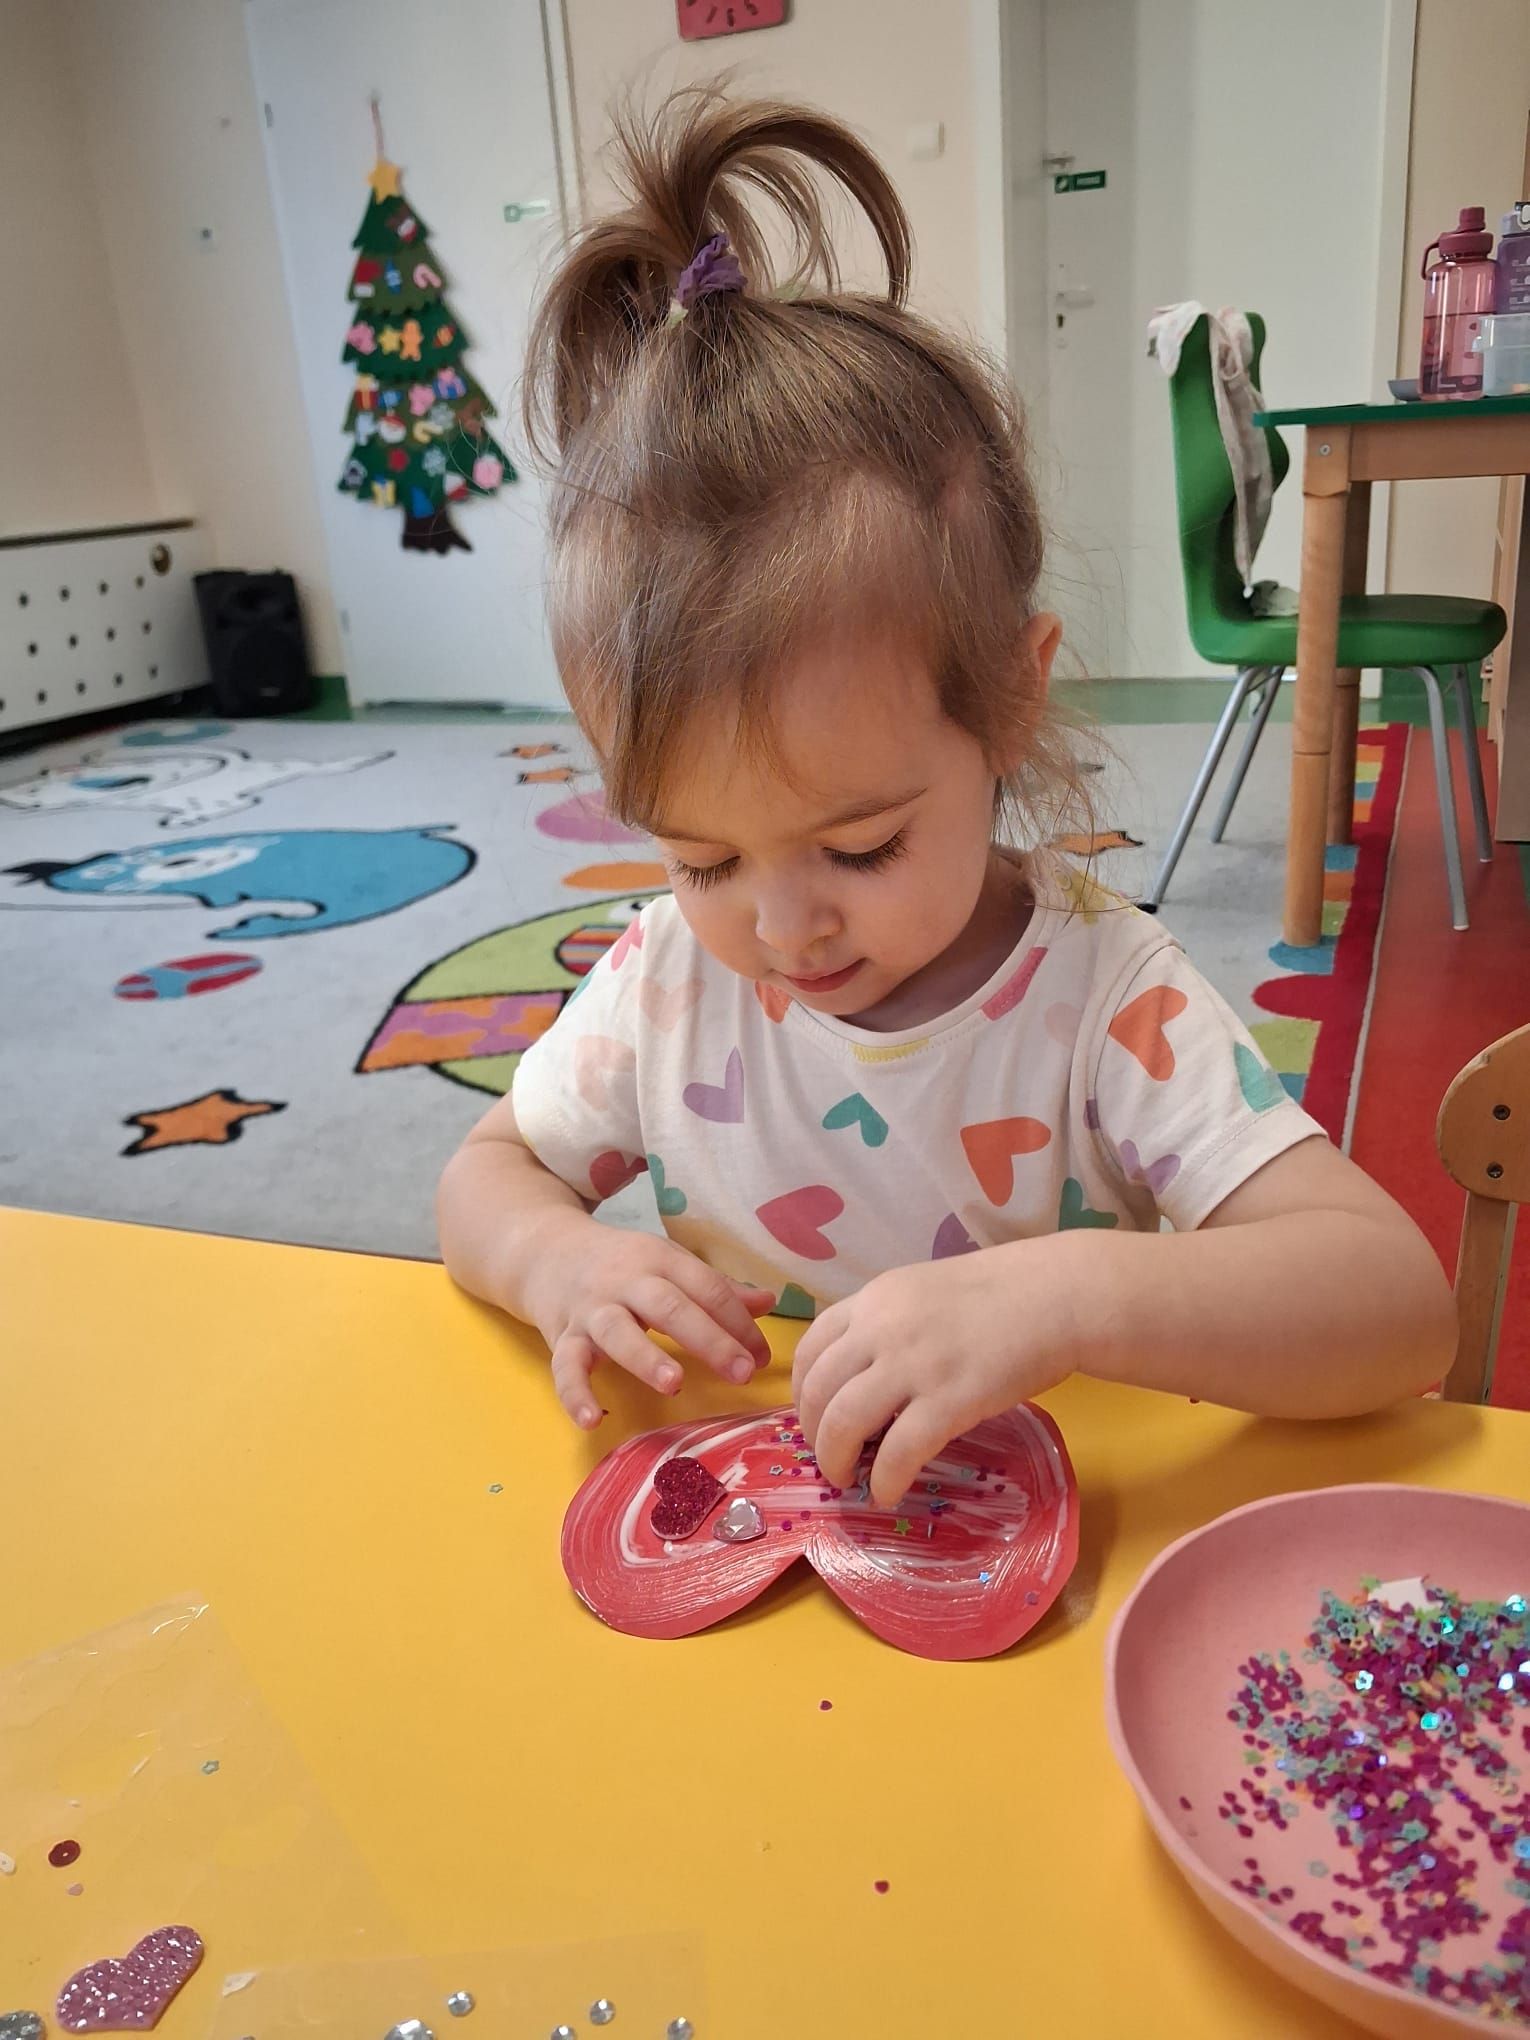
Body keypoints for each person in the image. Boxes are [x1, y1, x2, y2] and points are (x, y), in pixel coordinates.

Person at [437, 90, 1455, 1507]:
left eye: (859, 844)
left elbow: (1397, 1304)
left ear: (1011, 702)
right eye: (702, 858)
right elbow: (485, 1177)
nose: (780, 927)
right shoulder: (667, 982)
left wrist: (1072, 1300)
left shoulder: (1108, 1000)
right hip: (761, 1538)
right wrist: (560, 1260)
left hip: (1041, 1552)